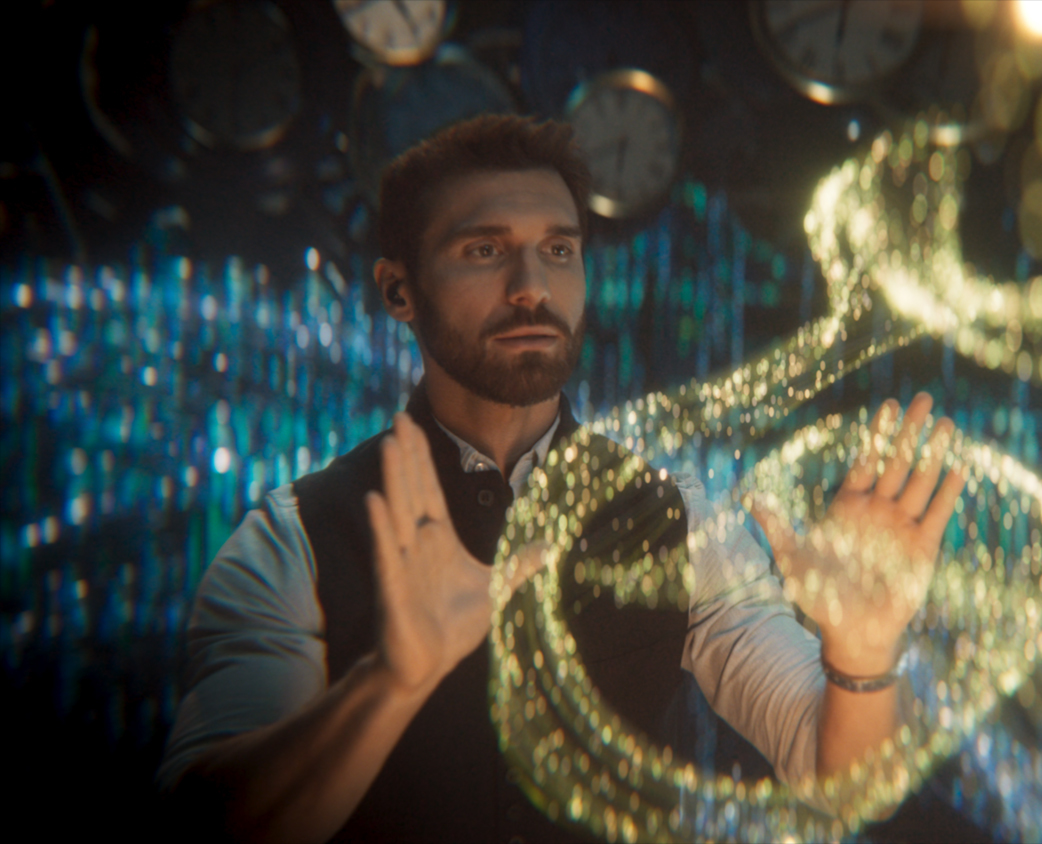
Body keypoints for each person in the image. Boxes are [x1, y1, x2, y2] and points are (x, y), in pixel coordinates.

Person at [158, 114, 964, 842]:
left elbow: (841, 788)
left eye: (558, 249)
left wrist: (861, 654)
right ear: (398, 289)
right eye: (484, 249)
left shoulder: (679, 517)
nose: (531, 287)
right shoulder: (291, 537)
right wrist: (392, 683)